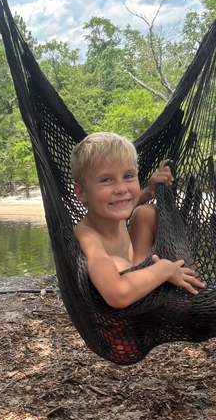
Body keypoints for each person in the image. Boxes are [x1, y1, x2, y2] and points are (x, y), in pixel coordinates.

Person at [72, 132, 205, 309]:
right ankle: (187, 299)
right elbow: (117, 294)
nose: (121, 188)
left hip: (140, 270)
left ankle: (199, 289)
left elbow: (127, 204)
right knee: (117, 263)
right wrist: (165, 269)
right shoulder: (87, 236)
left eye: (128, 176)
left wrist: (149, 191)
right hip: (124, 313)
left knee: (146, 213)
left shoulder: (111, 212)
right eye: (106, 180)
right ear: (81, 193)